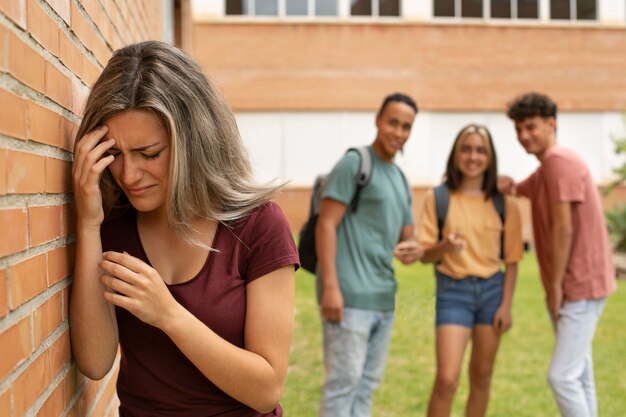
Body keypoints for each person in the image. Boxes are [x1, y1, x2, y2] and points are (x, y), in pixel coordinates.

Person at [69, 41, 299, 417]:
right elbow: (94, 363)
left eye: (149, 154)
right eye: (115, 155)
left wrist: (168, 314)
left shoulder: (258, 226)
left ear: (194, 143)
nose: (129, 175)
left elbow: (266, 390)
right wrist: (88, 223)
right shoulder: (113, 228)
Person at [502, 92, 616, 417]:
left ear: (551, 124)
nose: (524, 136)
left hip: (579, 286)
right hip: (582, 285)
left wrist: (554, 288)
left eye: (531, 127)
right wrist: (505, 185)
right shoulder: (549, 166)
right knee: (579, 373)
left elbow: (563, 228)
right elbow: (526, 188)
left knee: (562, 376)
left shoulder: (558, 161)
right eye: (519, 129)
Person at [315, 93, 423, 417]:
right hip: (348, 297)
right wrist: (331, 287)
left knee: (367, 387)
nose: (398, 132)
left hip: (383, 299)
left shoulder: (401, 179)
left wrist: (421, 248)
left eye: (406, 127)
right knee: (343, 385)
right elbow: (326, 224)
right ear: (378, 120)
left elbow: (407, 241)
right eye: (393, 122)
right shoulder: (355, 163)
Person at [419, 124, 523, 417]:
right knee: (447, 378)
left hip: (493, 292)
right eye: (466, 149)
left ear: (490, 157)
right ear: (456, 154)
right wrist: (445, 247)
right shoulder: (438, 198)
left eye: (480, 150)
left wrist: (506, 305)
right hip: (454, 292)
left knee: (481, 377)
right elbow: (426, 256)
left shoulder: (505, 204)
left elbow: (512, 260)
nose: (473, 156)